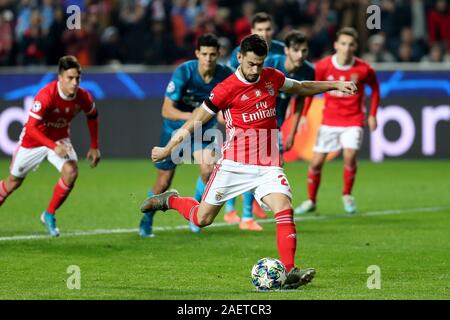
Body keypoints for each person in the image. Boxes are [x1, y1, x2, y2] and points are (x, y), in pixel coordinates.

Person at [140, 34, 357, 289]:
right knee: (202, 219)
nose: (256, 70)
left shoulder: (271, 77)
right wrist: (168, 149)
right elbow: (194, 121)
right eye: (251, 63)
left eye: (260, 64)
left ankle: (290, 272)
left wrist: (334, 86)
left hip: (268, 163)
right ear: (240, 58)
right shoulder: (225, 89)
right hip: (234, 164)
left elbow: (300, 87)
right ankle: (171, 200)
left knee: (284, 208)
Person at [138, 33, 233, 237]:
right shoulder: (184, 72)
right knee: (164, 182)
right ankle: (146, 220)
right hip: (176, 127)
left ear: (218, 55)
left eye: (213, 54)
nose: (208, 58)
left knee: (209, 170)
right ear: (197, 53)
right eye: (204, 54)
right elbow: (166, 110)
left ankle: (195, 214)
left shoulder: (225, 74)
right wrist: (192, 116)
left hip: (204, 129)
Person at [0, 55, 100, 237]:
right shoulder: (46, 96)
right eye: (70, 78)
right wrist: (52, 146)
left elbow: (92, 115)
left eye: (78, 78)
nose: (75, 83)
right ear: (60, 78)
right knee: (13, 182)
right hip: (34, 140)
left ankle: (49, 214)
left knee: (71, 172)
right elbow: (30, 127)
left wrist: (94, 145)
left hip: (60, 138)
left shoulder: (83, 96)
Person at [294, 27, 380, 215]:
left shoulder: (364, 69)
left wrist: (372, 114)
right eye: (343, 43)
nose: (346, 48)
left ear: (355, 46)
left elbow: (375, 89)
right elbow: (311, 90)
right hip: (329, 121)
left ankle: (347, 194)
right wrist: (304, 114)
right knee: (316, 163)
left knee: (349, 156)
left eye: (350, 44)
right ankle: (311, 201)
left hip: (353, 120)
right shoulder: (323, 66)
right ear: (336, 45)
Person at [224, 12, 285, 229]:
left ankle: (247, 210)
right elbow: (232, 86)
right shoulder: (238, 54)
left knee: (260, 164)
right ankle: (233, 210)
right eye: (260, 29)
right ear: (252, 31)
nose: (264, 33)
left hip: (270, 114)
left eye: (268, 29)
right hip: (243, 116)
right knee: (237, 162)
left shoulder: (280, 49)